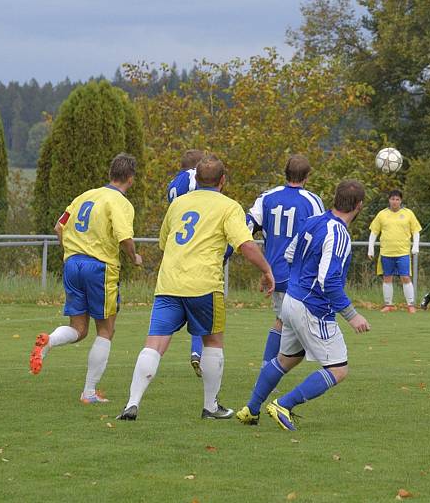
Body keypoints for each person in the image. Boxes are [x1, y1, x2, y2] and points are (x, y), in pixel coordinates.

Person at [117, 154, 275, 421]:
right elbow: (245, 245)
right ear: (222, 180)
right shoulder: (229, 207)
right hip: (204, 285)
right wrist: (267, 270)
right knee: (212, 342)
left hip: (169, 283)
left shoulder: (177, 204)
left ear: (196, 179)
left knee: (154, 344)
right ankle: (210, 406)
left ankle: (132, 403)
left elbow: (164, 243)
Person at [236, 180, 371, 431]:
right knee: (338, 369)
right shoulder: (339, 233)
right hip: (312, 307)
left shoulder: (313, 221)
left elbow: (289, 255)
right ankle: (283, 404)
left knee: (286, 359)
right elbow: (329, 281)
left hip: (292, 300)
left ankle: (250, 410)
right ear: (359, 206)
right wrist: (352, 316)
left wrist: (298, 287)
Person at [29, 153, 142, 404]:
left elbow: (59, 227)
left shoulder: (85, 196)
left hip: (72, 263)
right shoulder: (120, 202)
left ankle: (49, 341)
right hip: (99, 267)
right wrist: (134, 257)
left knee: (78, 329)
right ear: (131, 179)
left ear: (110, 174)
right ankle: (89, 392)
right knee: (106, 330)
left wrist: (69, 252)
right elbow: (124, 237)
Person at [246, 154, 323, 366]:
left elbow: (247, 227)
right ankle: (270, 370)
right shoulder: (312, 201)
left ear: (285, 173)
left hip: (275, 273)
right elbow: (321, 235)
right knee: (295, 321)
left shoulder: (267, 197)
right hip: (301, 274)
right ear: (307, 176)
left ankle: (270, 368)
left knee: (285, 321)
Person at [166, 149, 208, 377]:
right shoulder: (195, 178)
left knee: (176, 306)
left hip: (176, 250)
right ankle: (197, 350)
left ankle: (155, 350)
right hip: (196, 248)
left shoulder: (172, 184)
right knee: (202, 302)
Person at [367, 190, 421, 313]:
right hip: (386, 252)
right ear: (389, 200)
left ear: (401, 201)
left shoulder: (408, 214)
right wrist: (370, 248)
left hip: (403, 253)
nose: (395, 201)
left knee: (405, 277)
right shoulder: (382, 214)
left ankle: (411, 305)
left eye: (397, 199)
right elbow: (374, 232)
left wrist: (415, 246)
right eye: (392, 199)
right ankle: (388, 304)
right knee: (387, 277)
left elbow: (416, 231)